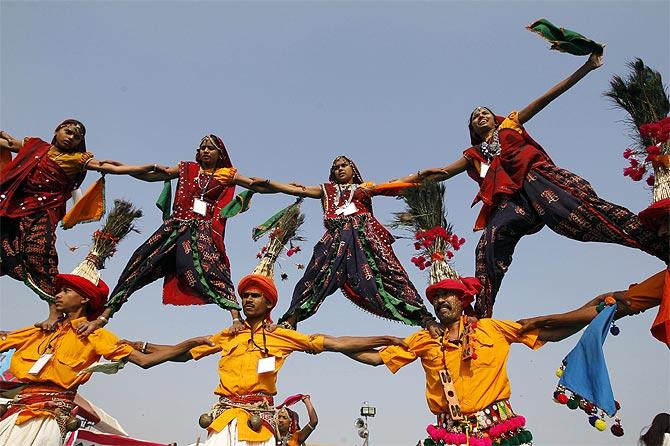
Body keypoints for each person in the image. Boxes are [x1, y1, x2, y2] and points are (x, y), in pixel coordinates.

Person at [398, 51, 668, 317]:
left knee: (585, 219)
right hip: (512, 201)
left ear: (494, 118)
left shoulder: (511, 125)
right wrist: (402, 181)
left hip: (539, 182)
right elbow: (442, 173)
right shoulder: (474, 155)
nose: (480, 115)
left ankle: (658, 243)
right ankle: (481, 313)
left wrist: (586, 68)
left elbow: (546, 98)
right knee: (489, 243)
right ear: (471, 128)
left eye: (485, 112)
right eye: (474, 116)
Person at [133, 272, 404, 446]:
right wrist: (143, 346)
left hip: (258, 423)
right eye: (245, 296)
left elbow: (333, 342)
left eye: (254, 296)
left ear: (269, 304)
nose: (247, 300)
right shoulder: (228, 335)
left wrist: (385, 339)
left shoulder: (280, 336)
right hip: (223, 418)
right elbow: (183, 354)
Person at [344, 276, 587, 445]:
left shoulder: (491, 329)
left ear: (462, 301)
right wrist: (328, 346)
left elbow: (552, 334)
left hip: (498, 429)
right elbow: (376, 358)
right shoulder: (423, 339)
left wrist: (599, 315)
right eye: (436, 297)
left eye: (447, 294)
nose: (440, 300)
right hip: (449, 433)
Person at [77, 134, 269, 336]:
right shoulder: (186, 169)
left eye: (210, 148)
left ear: (220, 154)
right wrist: (120, 168)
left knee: (214, 269)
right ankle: (103, 317)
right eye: (202, 147)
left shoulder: (226, 175)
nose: (205, 151)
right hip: (173, 227)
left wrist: (285, 188)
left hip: (200, 231)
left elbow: (255, 185)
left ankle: (236, 317)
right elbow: (155, 175)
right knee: (139, 263)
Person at [0, 271, 211, 446]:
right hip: (15, 413)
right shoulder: (40, 330)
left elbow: (144, 361)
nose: (58, 295)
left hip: (49, 419)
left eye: (65, 291)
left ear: (84, 299)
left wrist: (188, 344)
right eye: (58, 291)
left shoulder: (96, 336)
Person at [253, 155, 440, 336]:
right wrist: (266, 182)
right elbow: (296, 190)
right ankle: (290, 320)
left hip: (365, 238)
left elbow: (395, 183)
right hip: (335, 239)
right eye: (336, 167)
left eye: (344, 165)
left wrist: (421, 174)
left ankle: (425, 318)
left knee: (392, 273)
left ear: (353, 169)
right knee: (314, 275)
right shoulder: (325, 190)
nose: (339, 169)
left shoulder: (365, 188)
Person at [0, 120, 161, 327]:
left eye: (77, 137)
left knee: (39, 253)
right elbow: (11, 145)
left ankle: (54, 312)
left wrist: (146, 168)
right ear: (57, 130)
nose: (71, 138)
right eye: (68, 132)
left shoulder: (77, 159)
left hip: (42, 213)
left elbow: (107, 166)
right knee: (6, 250)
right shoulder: (35, 146)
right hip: (14, 207)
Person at [517, 194, 670, 347]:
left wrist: (546, 322)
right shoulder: (666, 278)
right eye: (661, 225)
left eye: (667, 222)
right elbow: (622, 305)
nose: (661, 232)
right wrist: (545, 324)